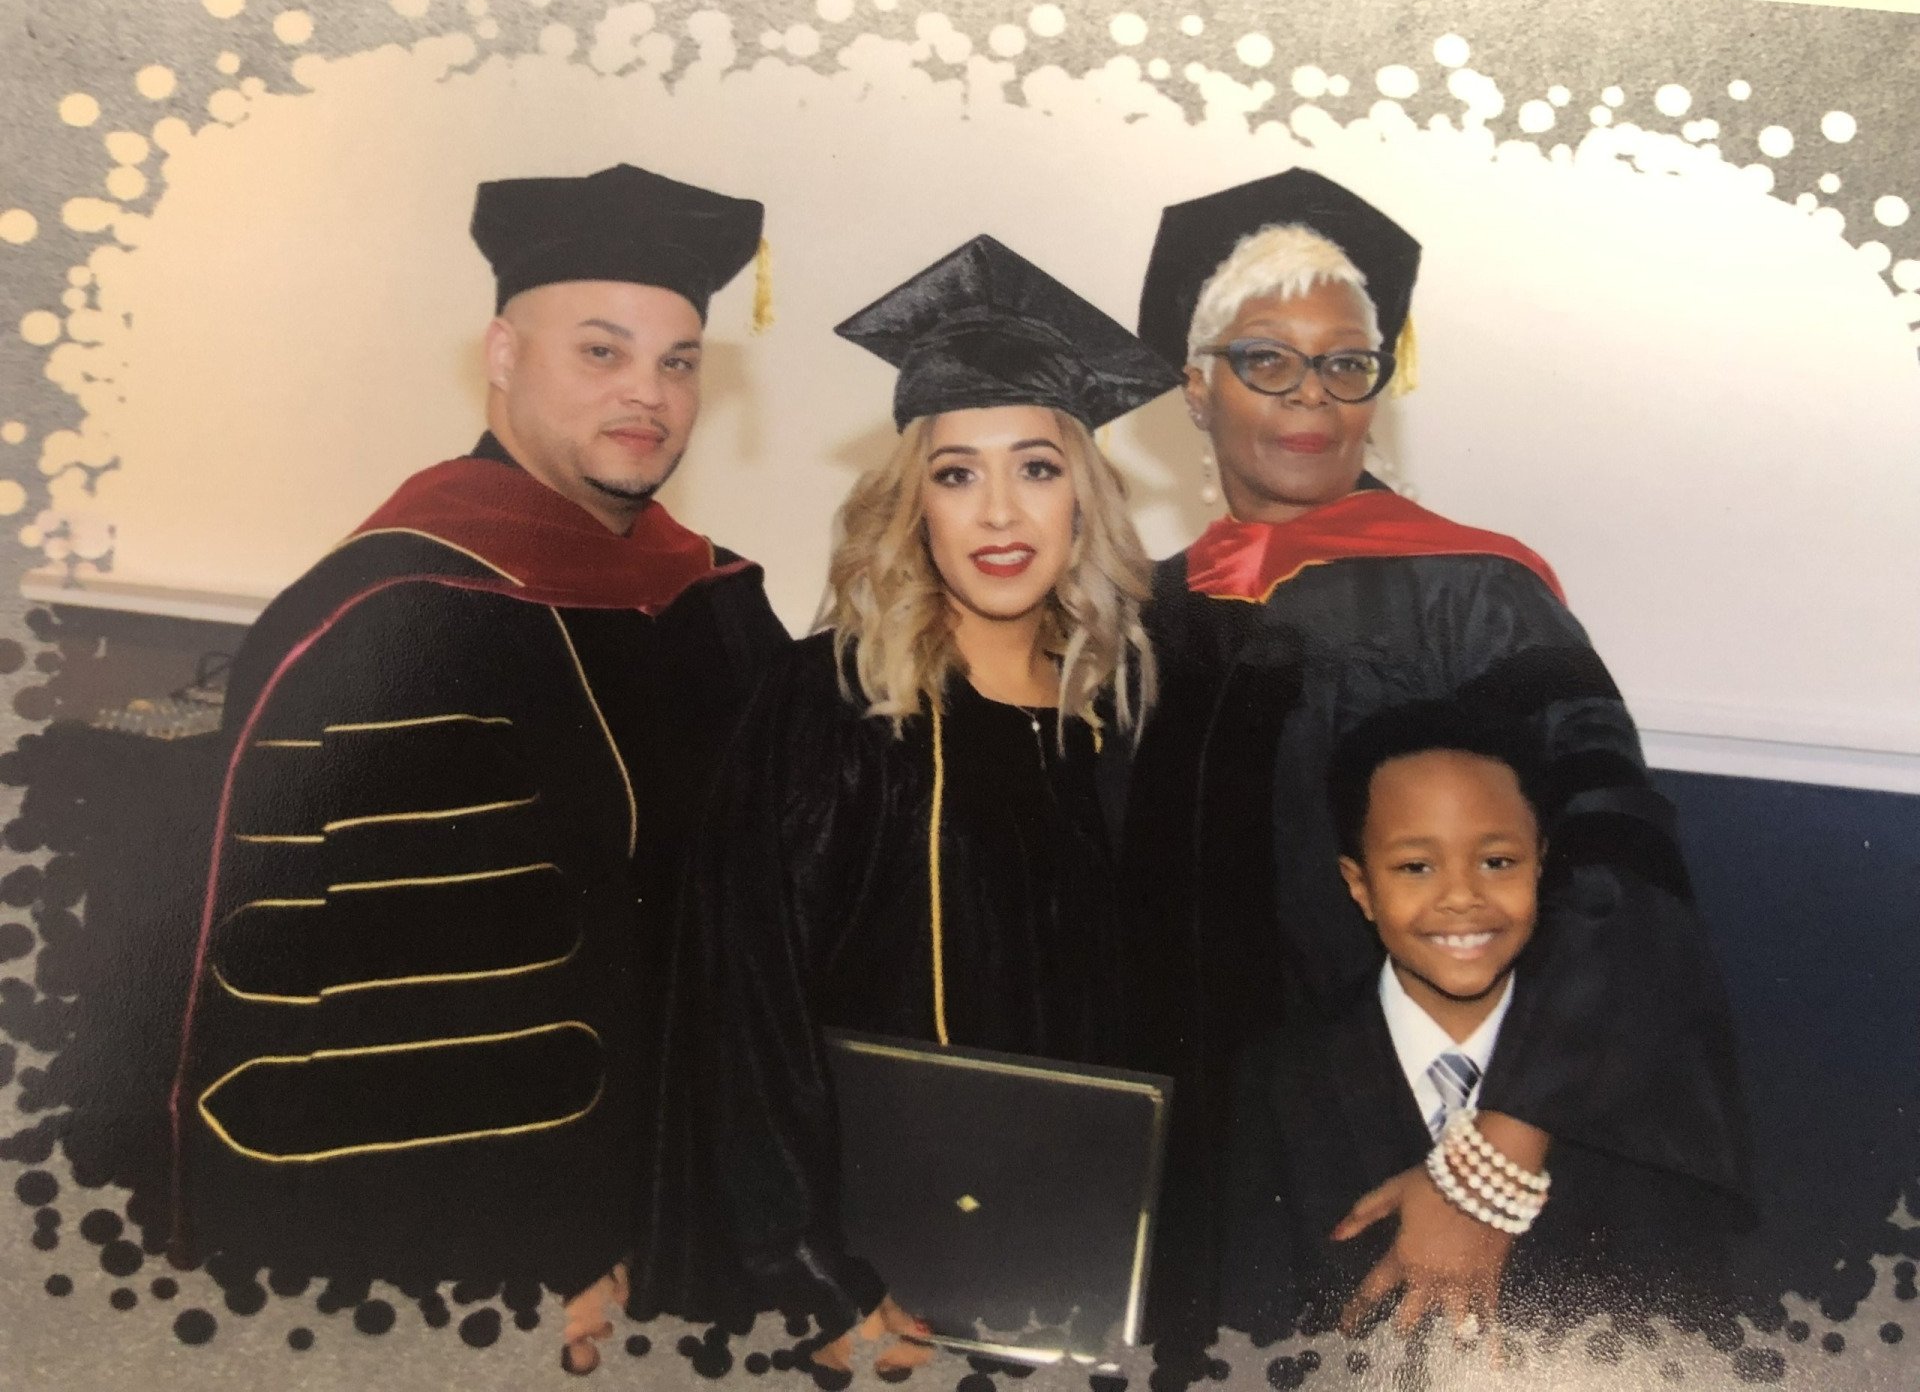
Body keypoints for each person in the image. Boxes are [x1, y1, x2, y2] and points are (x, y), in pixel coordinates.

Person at [165, 163, 789, 1374]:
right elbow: (363, 1010)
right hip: (492, 1260)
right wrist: (523, 1254)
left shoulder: (717, 606)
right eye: (601, 351)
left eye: (677, 361)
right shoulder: (392, 618)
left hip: (688, 1223)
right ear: (503, 354)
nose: (648, 393)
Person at [1122, 169, 1750, 1364]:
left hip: (1438, 1145)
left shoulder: (1476, 596)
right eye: (1266, 362)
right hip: (1220, 1161)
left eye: (1346, 363)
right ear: (1195, 388)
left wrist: (1494, 1159)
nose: (1312, 397)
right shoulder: (1145, 612)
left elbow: (1617, 868)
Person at [687, 234, 1179, 1373]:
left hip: (1067, 1271)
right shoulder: (833, 702)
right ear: (911, 503)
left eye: (1037, 468)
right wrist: (813, 1277)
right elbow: (743, 1002)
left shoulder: (1118, 712)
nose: (999, 513)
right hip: (874, 1277)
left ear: (1084, 495)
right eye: (957, 474)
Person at [1219, 700, 1748, 1343]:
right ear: (1359, 886)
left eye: (1497, 861)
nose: (1462, 896)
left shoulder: (1630, 1074)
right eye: (1416, 867)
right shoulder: (1279, 1079)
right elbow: (1248, 1327)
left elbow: (1688, 1321)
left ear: (1542, 865)